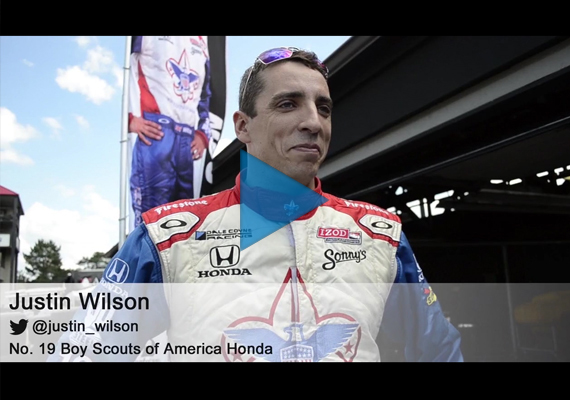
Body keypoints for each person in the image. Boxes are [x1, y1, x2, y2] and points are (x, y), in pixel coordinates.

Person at [52, 47, 462, 362]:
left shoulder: (380, 236)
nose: (313, 122)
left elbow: (439, 352)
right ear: (243, 126)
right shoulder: (166, 238)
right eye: (288, 104)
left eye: (323, 108)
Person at [128, 36, 213, 228]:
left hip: (187, 141)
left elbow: (205, 93)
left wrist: (202, 135)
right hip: (156, 133)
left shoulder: (202, 41)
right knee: (150, 222)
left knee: (184, 222)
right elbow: (121, 66)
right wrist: (129, 119)